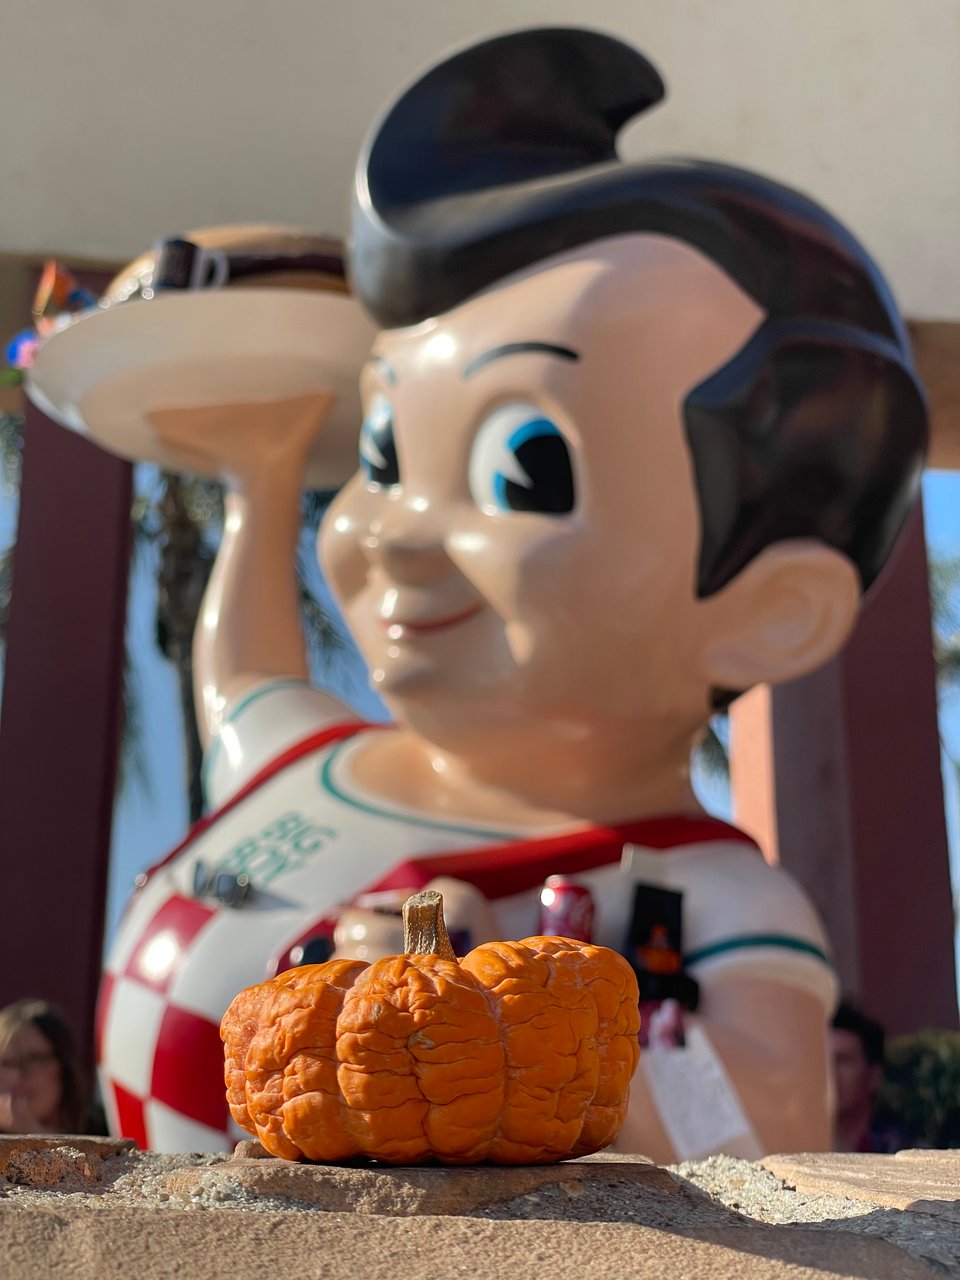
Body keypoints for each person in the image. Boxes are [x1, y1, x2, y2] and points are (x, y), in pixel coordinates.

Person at [83, 29, 924, 1159]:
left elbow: (771, 1131)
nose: (390, 532)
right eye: (384, 453)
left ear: (771, 605)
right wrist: (264, 478)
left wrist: (495, 1026)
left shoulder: (702, 892)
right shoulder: (306, 761)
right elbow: (243, 676)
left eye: (526, 469)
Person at [0, 999, 101, 1135]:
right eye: (6, 1063)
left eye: (34, 1059)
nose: (18, 1075)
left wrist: (37, 1137)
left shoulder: (105, 1128)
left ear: (63, 1065)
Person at [830, 999, 911, 1153]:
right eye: (821, 1062)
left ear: (874, 1076)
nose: (830, 1073)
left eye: (843, 1061)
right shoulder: (794, 1146)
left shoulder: (901, 1152)